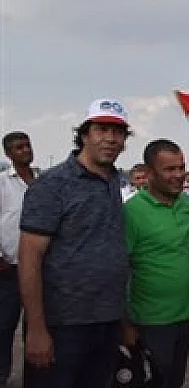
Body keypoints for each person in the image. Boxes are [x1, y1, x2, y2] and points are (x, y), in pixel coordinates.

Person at [19, 99, 132, 388]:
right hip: (62, 325)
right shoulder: (53, 185)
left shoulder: (114, 181)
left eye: (118, 132)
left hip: (106, 322)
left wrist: (122, 319)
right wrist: (36, 329)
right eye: (101, 130)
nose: (110, 139)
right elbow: (30, 257)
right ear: (84, 135)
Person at [120, 139, 189, 388]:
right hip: (149, 322)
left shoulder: (186, 204)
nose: (178, 175)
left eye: (181, 167)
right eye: (169, 169)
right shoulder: (131, 212)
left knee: (174, 381)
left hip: (182, 317)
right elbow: (118, 270)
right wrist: (125, 325)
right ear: (149, 173)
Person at [0, 132, 36, 387]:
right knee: (3, 326)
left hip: (40, 269)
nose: (25, 151)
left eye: (27, 145)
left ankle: (35, 378)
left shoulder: (43, 183)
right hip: (8, 269)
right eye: (18, 148)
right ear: (8, 154)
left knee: (36, 327)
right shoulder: (2, 184)